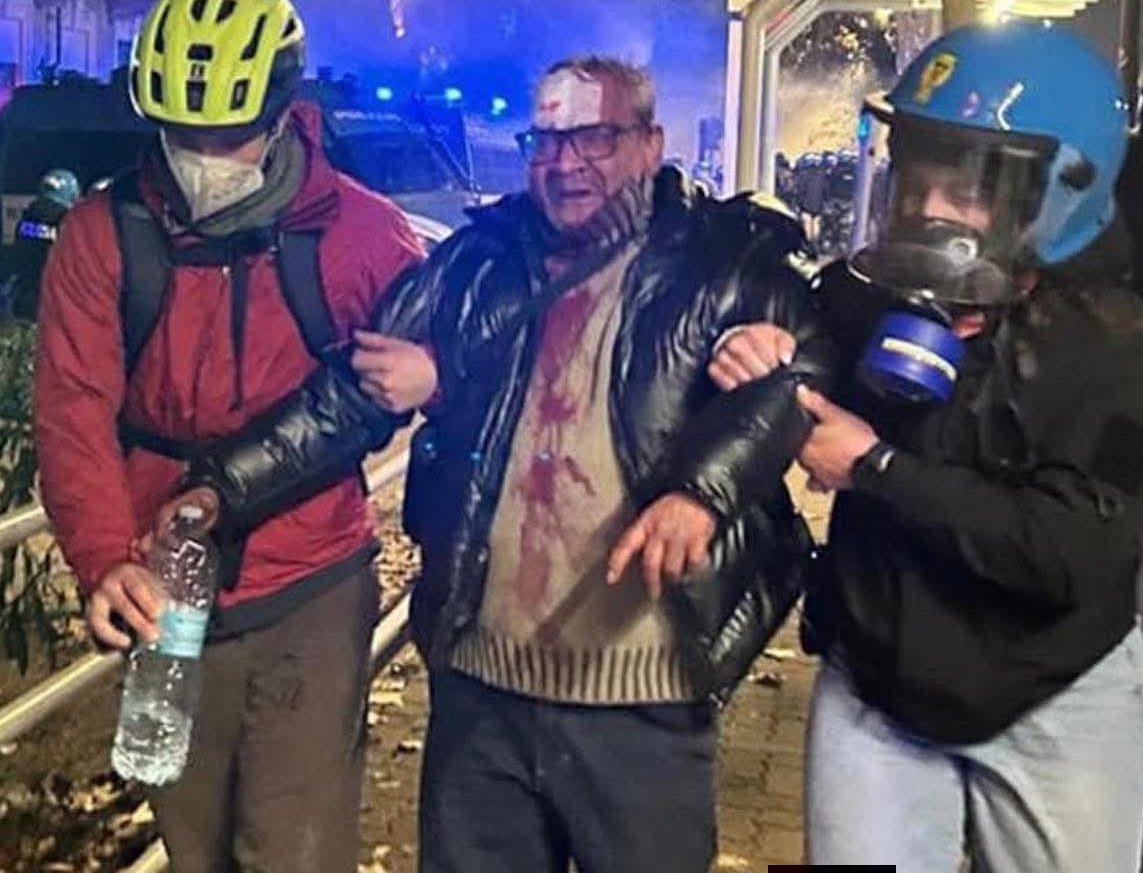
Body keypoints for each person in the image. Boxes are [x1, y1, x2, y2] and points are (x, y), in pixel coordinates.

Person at [162, 56, 833, 873]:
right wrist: (219, 488)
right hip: (481, 689)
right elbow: (345, 398)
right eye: (545, 142)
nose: (564, 163)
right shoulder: (477, 260)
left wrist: (700, 494)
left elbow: (809, 371)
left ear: (650, 143)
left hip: (644, 696)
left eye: (593, 138)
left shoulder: (720, 260)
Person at [711, 22, 1143, 872]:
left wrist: (874, 467)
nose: (928, 212)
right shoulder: (863, 299)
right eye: (915, 179)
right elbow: (799, 352)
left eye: (967, 189)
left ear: (1058, 192)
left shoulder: (1113, 352)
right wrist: (756, 345)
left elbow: (1065, 557)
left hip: (1053, 693)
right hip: (877, 682)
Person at [34, 0, 424, 872]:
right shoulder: (101, 234)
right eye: (183, 134)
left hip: (312, 577)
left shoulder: (365, 235)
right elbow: (73, 408)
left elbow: (441, 373)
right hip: (165, 582)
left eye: (229, 134)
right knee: (192, 840)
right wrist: (103, 561)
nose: (204, 155)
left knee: (292, 846)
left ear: (281, 112)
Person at [8, 168, 80, 319]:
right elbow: (23, 257)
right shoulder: (29, 221)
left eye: (54, 206)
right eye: (45, 205)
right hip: (34, 290)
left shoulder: (78, 226)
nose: (48, 211)